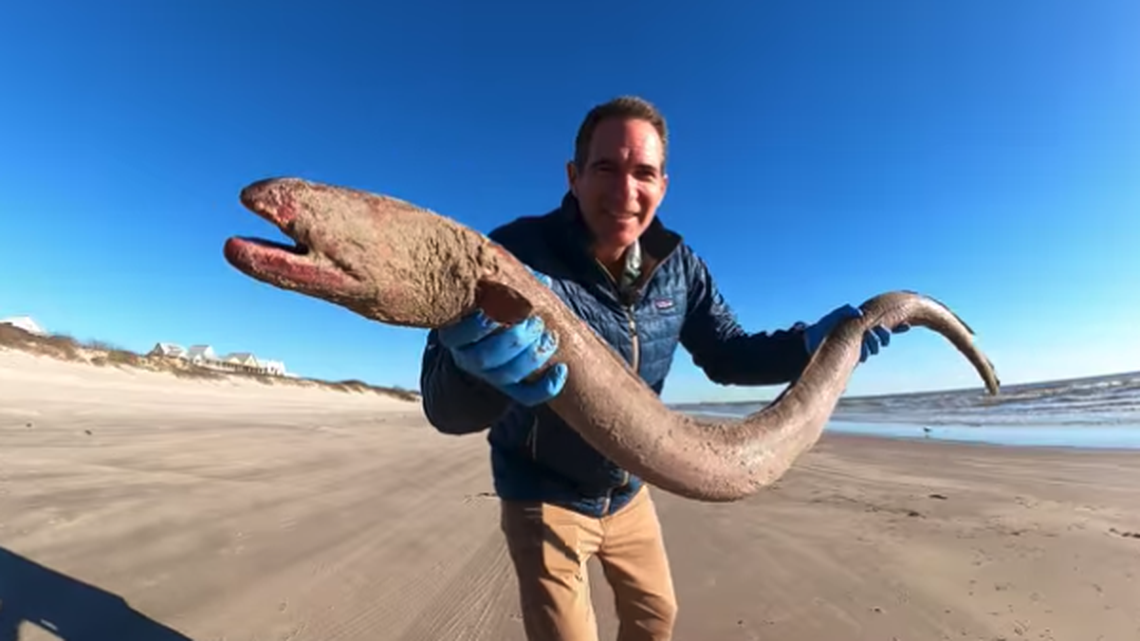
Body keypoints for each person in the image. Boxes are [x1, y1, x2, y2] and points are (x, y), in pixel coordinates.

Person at [419, 96, 907, 641]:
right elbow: (444, 407)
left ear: (664, 185)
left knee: (655, 622)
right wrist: (472, 371)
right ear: (574, 175)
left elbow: (727, 353)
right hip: (544, 494)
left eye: (644, 172)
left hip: (630, 490)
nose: (627, 192)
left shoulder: (680, 267)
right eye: (606, 167)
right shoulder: (514, 253)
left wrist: (807, 345)